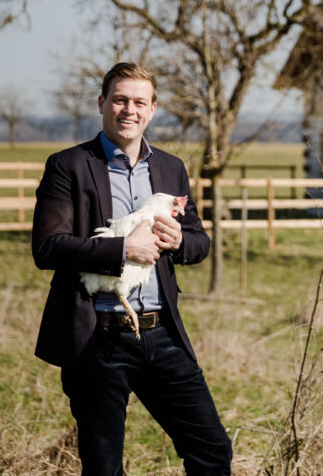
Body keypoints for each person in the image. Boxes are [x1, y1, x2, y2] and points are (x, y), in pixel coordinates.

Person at [32, 62, 232, 474]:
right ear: (102, 103)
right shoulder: (68, 165)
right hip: (97, 338)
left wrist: (179, 243)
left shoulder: (171, 168)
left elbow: (199, 241)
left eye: (139, 102)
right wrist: (123, 248)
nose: (129, 110)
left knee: (212, 452)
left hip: (162, 335)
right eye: (120, 99)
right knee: (104, 468)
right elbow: (47, 247)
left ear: (153, 109)